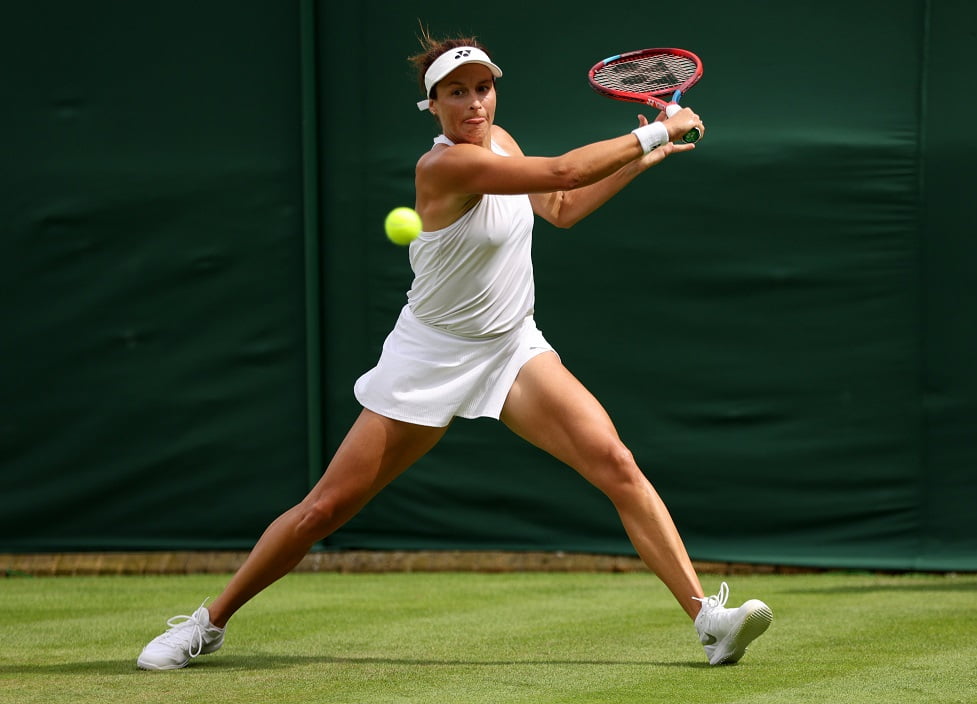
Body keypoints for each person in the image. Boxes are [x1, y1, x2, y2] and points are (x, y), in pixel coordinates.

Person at [136, 32, 772, 671]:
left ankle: (707, 619)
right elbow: (562, 171)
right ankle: (209, 623)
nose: (474, 103)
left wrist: (643, 159)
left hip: (512, 346)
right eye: (456, 93)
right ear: (433, 107)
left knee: (616, 461)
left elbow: (559, 206)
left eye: (483, 88)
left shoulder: (501, 141)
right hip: (431, 355)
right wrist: (658, 133)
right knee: (324, 509)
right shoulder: (442, 167)